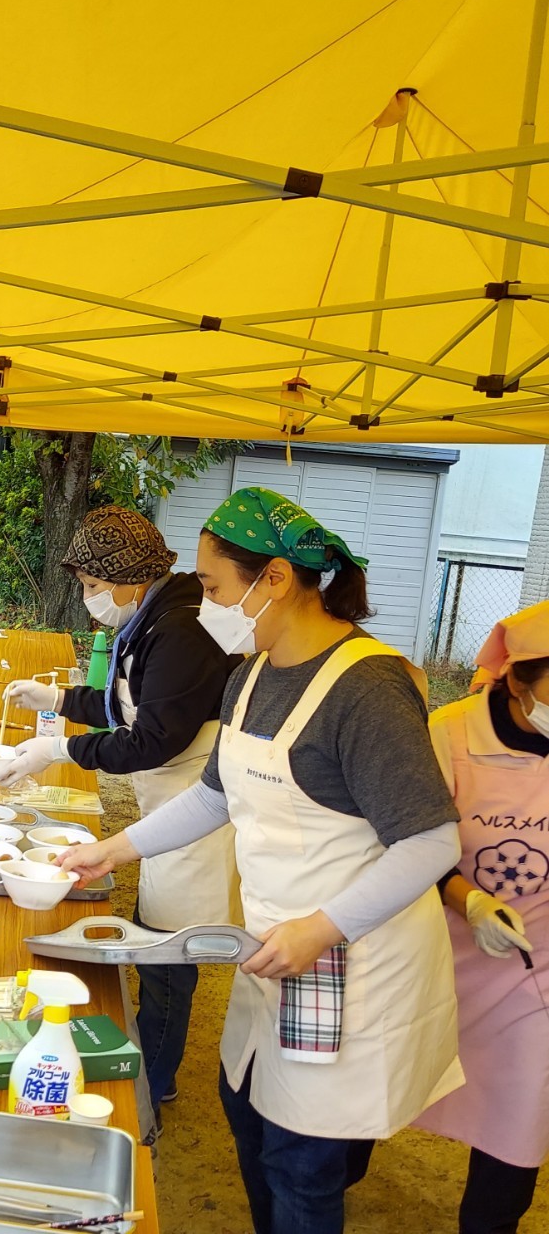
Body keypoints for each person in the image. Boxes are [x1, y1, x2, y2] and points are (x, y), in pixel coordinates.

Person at [59, 486, 463, 1234]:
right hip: (274, 950)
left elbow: (432, 841)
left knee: (301, 1164)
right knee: (246, 1113)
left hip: (350, 961)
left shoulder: (366, 687)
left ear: (274, 578)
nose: (205, 604)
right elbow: (214, 796)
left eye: (213, 588)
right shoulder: (249, 675)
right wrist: (108, 850)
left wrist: (322, 928)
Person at [0, 504, 239, 1124]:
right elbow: (122, 704)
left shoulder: (181, 630)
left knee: (168, 954)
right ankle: (151, 1063)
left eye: (93, 584)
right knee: (151, 932)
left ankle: (152, 1084)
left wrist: (62, 749)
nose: (89, 598)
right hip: (166, 806)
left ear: (130, 577)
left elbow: (150, 739)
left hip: (194, 807)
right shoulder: (150, 617)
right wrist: (59, 699)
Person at [412, 604, 549, 1234]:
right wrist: (468, 899)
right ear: (518, 678)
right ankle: (341, 1173)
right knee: (391, 1082)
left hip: (532, 969)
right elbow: (407, 842)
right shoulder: (448, 734)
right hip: (436, 954)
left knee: (521, 1111)